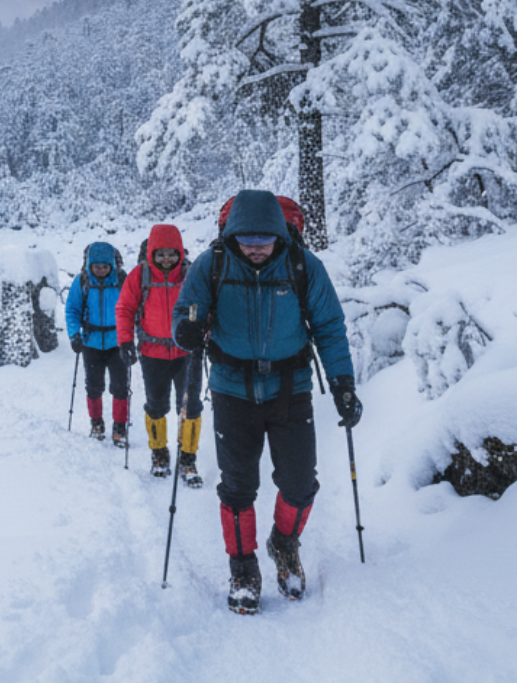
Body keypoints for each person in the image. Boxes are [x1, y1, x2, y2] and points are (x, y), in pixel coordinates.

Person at [171, 190, 362, 615]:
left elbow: (329, 327)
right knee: (238, 487)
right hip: (230, 388)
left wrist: (343, 383)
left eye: (264, 239)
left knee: (299, 483)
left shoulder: (303, 266)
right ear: (232, 234)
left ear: (280, 234)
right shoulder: (212, 264)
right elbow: (185, 311)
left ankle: (284, 542)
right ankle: (243, 567)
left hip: (290, 388)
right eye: (246, 239)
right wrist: (186, 329)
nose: (255, 247)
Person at [116, 224, 203, 486]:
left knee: (190, 406)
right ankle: (159, 453)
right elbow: (124, 308)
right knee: (156, 405)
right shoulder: (139, 276)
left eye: (172, 253)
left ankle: (188, 458)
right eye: (161, 253)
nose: (167, 259)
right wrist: (124, 342)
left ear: (180, 252)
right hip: (152, 353)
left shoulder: (191, 276)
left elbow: (206, 307)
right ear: (151, 253)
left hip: (187, 352)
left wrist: (204, 334)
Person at [65, 242, 129, 446]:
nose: (100, 270)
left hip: (117, 342)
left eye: (105, 266)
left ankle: (120, 427)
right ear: (89, 265)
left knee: (120, 387)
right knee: (94, 386)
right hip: (91, 342)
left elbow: (131, 309)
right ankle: (97, 424)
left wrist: (131, 339)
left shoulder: (122, 281)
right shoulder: (82, 282)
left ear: (112, 264)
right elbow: (72, 310)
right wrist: (74, 334)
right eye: (96, 266)